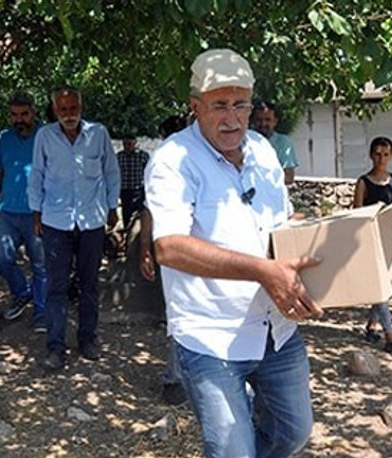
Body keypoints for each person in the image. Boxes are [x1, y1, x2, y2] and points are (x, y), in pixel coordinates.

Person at [144, 48, 323, 457]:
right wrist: (262, 270)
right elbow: (168, 247)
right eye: (220, 105)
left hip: (276, 330)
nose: (233, 118)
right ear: (195, 107)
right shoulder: (173, 160)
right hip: (212, 338)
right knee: (233, 452)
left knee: (294, 433)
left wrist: (319, 237)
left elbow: (280, 222)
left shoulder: (262, 150)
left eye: (241, 105)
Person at [28, 87, 121, 370]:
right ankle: (56, 346)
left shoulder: (98, 134)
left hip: (91, 221)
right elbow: (37, 175)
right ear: (55, 111)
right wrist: (36, 212)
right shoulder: (45, 136)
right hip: (56, 221)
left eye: (73, 108)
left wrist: (112, 207)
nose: (69, 115)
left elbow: (111, 171)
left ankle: (88, 339)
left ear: (80, 107)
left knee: (89, 284)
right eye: (63, 109)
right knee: (56, 286)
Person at [0, 91, 47, 332]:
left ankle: (41, 313)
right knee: (1, 258)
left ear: (33, 112)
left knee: (41, 265)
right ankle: (22, 292)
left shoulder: (47, 135)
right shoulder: (4, 138)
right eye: (14, 115)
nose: (19, 119)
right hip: (8, 212)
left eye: (24, 114)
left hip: (38, 212)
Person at [139, 114, 188, 406]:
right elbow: (149, 209)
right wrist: (145, 248)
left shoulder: (207, 159)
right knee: (180, 312)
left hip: (205, 249)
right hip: (174, 249)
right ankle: (175, 379)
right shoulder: (162, 165)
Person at [352, 136, 392, 356]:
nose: (381, 159)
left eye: (385, 154)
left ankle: (371, 326)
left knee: (386, 285)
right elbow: (356, 214)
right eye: (377, 154)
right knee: (380, 286)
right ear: (370, 155)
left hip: (389, 239)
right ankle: (390, 336)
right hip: (369, 239)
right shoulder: (363, 182)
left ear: (391, 156)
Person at [251, 101, 299, 185]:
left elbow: (288, 177)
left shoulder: (283, 142)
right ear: (253, 121)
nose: (263, 124)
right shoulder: (245, 141)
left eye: (267, 120)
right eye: (259, 120)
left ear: (275, 121)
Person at [116, 135, 150, 228]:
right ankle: (127, 231)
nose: (127, 146)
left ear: (135, 144)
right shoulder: (119, 157)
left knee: (139, 214)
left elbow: (149, 172)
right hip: (125, 190)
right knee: (126, 214)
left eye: (129, 144)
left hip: (139, 190)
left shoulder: (143, 156)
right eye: (125, 144)